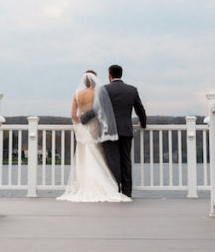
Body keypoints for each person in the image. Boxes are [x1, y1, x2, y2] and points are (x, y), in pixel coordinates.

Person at [57, 71, 131, 202]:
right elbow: (99, 110)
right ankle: (102, 184)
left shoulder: (77, 94)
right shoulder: (97, 93)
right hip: (94, 127)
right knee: (98, 155)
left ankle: (83, 184)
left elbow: (73, 115)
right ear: (94, 81)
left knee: (83, 157)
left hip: (82, 130)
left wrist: (80, 120)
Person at [102, 64, 147, 197]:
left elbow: (97, 109)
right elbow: (140, 109)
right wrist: (143, 123)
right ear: (121, 74)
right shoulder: (132, 90)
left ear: (110, 75)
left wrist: (85, 119)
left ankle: (114, 190)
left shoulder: (104, 89)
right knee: (126, 160)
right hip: (126, 130)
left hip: (109, 130)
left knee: (113, 161)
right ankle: (127, 193)